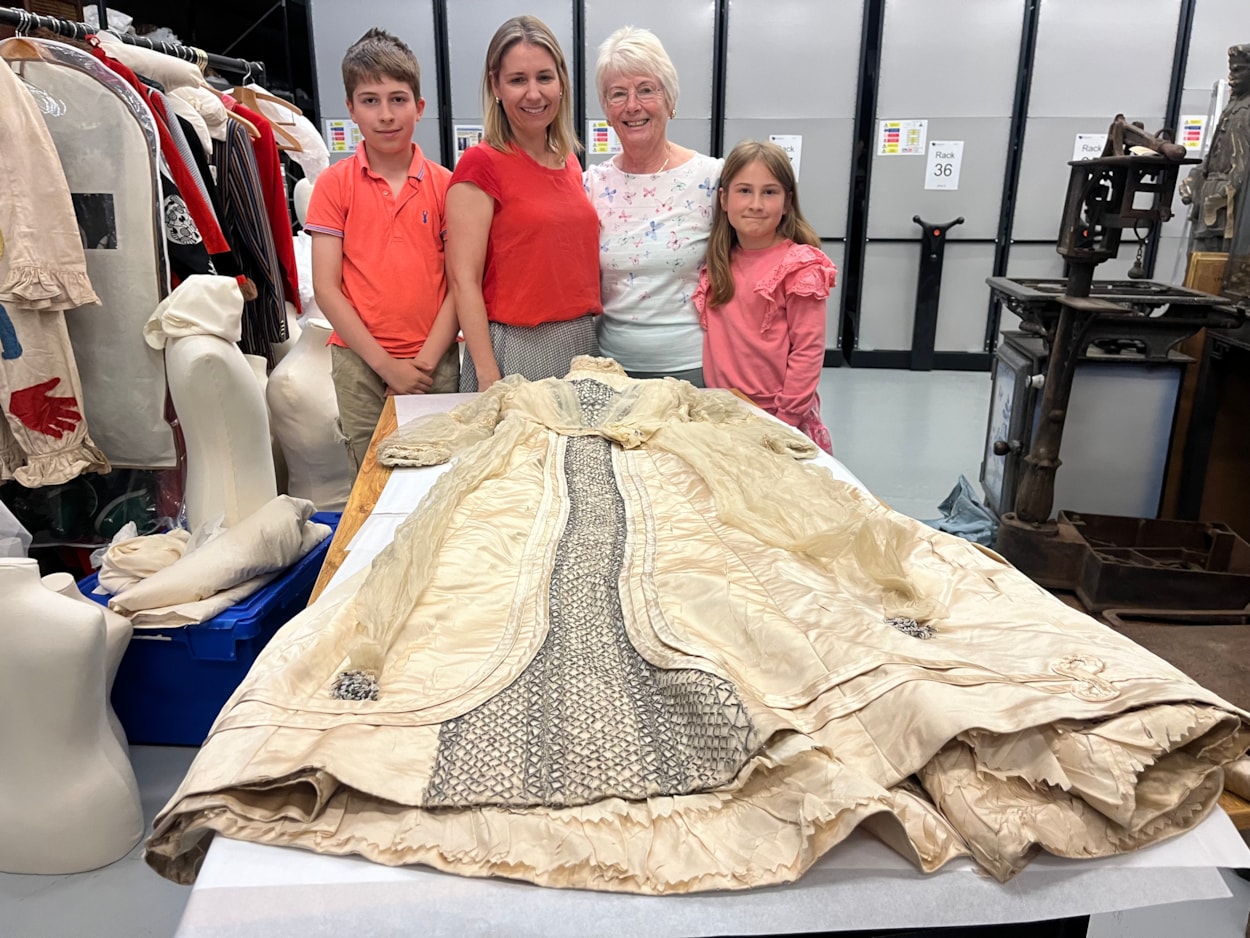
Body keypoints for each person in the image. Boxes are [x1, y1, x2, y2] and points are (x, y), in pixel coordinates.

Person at [306, 28, 460, 473]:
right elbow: (326, 287)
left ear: (420, 106)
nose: (386, 114)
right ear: (351, 109)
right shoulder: (334, 185)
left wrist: (423, 365)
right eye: (370, 100)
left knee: (437, 475)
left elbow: (458, 285)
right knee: (371, 479)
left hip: (436, 361)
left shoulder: (446, 186)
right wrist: (386, 367)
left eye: (398, 99)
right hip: (358, 363)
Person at [443, 15, 601, 392]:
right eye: (518, 80)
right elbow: (463, 280)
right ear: (496, 85)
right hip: (515, 350)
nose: (534, 94)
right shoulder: (481, 164)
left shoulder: (568, 160)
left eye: (544, 77)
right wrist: (487, 374)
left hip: (580, 342)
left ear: (561, 82)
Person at [583, 26, 721, 385]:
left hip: (693, 370)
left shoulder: (712, 179)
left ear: (670, 98)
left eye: (646, 89)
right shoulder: (591, 185)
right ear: (606, 110)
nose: (632, 105)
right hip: (611, 372)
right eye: (618, 94)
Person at [694, 140, 836, 454]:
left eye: (769, 192)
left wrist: (784, 421)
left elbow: (808, 352)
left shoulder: (799, 267)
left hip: (779, 420)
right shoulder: (717, 263)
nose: (756, 204)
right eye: (744, 190)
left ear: (787, 202)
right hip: (724, 416)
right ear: (724, 199)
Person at [1182, 43, 1250, 254]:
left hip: (1234, 204)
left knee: (1220, 264)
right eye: (1230, 70)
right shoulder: (1232, 107)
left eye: (1238, 70)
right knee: (1198, 263)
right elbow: (1215, 154)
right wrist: (1196, 176)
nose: (1231, 76)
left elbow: (1244, 162)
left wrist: (1230, 187)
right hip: (1210, 199)